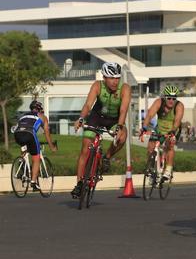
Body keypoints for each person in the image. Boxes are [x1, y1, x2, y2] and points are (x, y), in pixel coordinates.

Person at [71, 62, 130, 198]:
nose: (115, 81)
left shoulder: (125, 88)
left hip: (114, 120)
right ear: (104, 78)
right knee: (85, 148)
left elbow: (123, 110)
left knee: (122, 137)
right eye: (111, 78)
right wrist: (81, 118)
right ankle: (79, 183)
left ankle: (106, 157)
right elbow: (87, 105)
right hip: (96, 117)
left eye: (117, 78)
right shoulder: (97, 85)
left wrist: (120, 128)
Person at [141, 85, 184, 181]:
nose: (171, 101)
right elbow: (150, 115)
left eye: (174, 98)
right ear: (164, 97)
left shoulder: (179, 106)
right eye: (169, 98)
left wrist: (172, 132)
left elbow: (177, 121)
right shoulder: (159, 102)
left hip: (173, 128)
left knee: (170, 144)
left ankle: (168, 169)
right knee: (151, 146)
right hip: (159, 128)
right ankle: (152, 169)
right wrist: (144, 127)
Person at [13, 100, 57, 191]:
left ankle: (22, 163)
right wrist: (52, 146)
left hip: (17, 134)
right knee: (36, 158)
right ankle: (33, 182)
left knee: (25, 148)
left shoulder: (23, 116)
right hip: (29, 134)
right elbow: (47, 133)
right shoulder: (42, 117)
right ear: (40, 109)